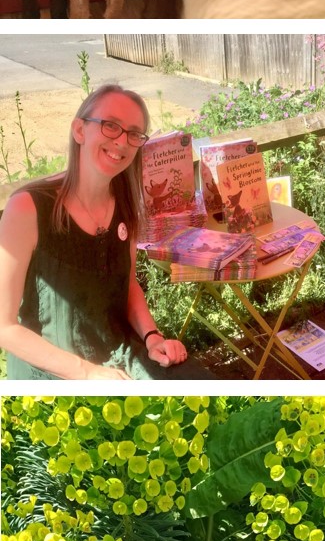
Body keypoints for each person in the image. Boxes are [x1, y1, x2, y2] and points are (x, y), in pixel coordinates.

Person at [0, 84, 202, 380]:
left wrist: (152, 336)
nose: (122, 141)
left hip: (115, 353)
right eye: (110, 126)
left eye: (134, 133)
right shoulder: (27, 208)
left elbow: (126, 282)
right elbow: (5, 328)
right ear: (79, 130)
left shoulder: (126, 204)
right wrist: (87, 374)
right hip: (50, 370)